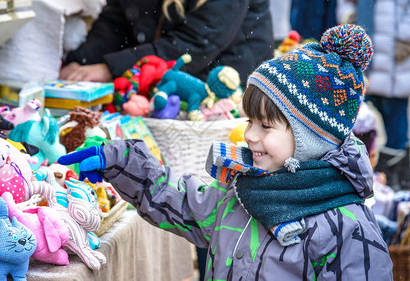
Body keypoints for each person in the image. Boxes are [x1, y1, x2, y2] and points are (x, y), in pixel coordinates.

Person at [58, 24, 393, 280]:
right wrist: (121, 162)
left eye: (265, 125)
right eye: (250, 121)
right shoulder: (242, 190)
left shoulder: (349, 228)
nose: (249, 135)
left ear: (312, 138)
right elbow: (179, 202)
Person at [59, 0, 274, 87]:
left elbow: (195, 44)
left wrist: (110, 69)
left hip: (224, 81)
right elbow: (116, 21)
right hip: (162, 71)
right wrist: (80, 63)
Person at [337, 0, 410, 189]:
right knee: (355, 115)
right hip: (364, 33)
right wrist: (349, 20)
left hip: (395, 39)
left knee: (394, 115)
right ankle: (358, 176)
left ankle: (394, 180)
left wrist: (406, 36)